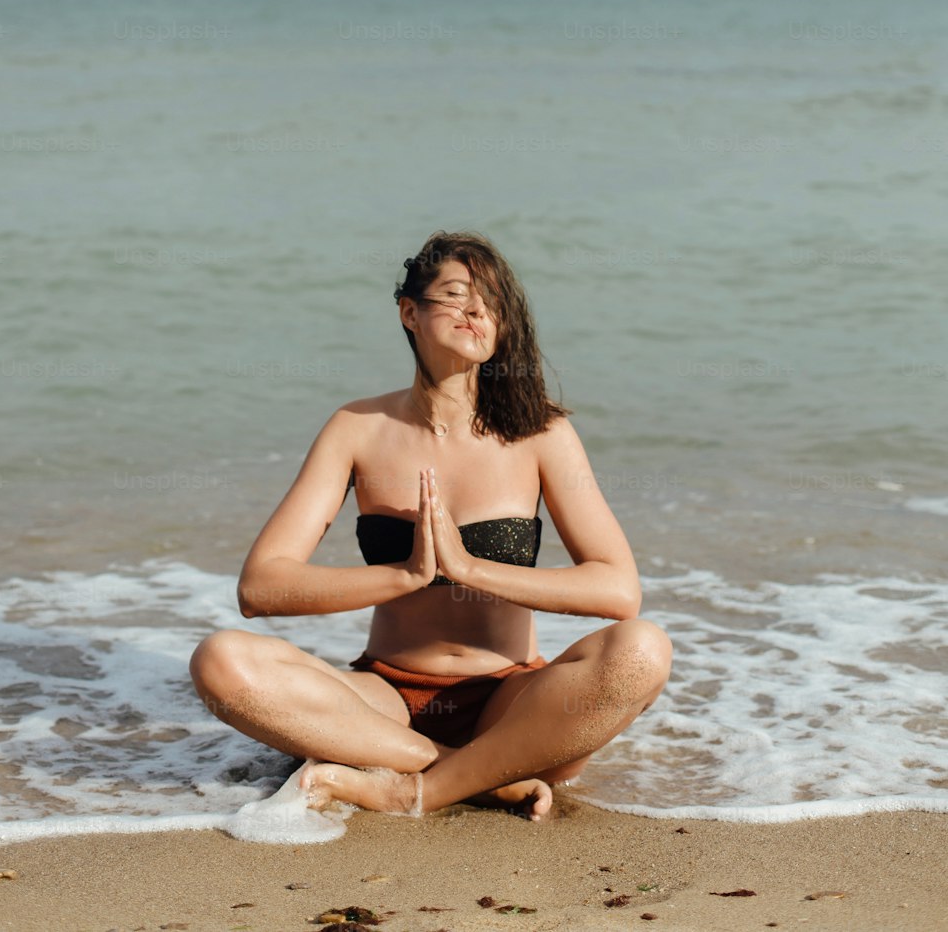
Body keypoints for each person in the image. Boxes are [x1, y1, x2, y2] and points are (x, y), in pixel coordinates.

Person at [189, 230, 672, 819]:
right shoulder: (357, 427)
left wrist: (470, 568)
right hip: (385, 702)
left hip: (514, 704)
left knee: (643, 649)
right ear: (409, 312)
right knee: (220, 660)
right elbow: (260, 588)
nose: (476, 311)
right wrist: (407, 575)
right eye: (456, 294)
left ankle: (414, 788)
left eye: (491, 302)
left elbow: (618, 590)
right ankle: (477, 775)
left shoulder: (541, 435)